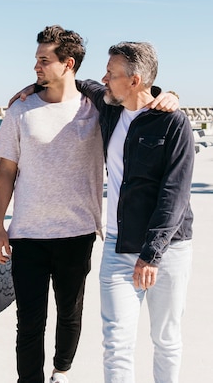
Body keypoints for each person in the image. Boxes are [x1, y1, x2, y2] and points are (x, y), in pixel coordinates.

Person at [0, 25, 104, 383]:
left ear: (68, 64)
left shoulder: (96, 111)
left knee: (70, 314)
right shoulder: (20, 111)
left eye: (44, 60)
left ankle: (61, 371)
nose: (36, 67)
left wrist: (172, 95)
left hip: (78, 232)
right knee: (29, 322)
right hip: (27, 234)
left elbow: (136, 99)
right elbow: (6, 172)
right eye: (36, 60)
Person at [77, 42, 193, 383]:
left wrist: (151, 254)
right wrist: (34, 86)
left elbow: (174, 193)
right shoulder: (111, 108)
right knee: (116, 343)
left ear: (135, 80)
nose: (104, 78)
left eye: (112, 74)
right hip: (117, 246)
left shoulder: (173, 123)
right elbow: (82, 83)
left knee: (166, 339)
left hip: (168, 250)